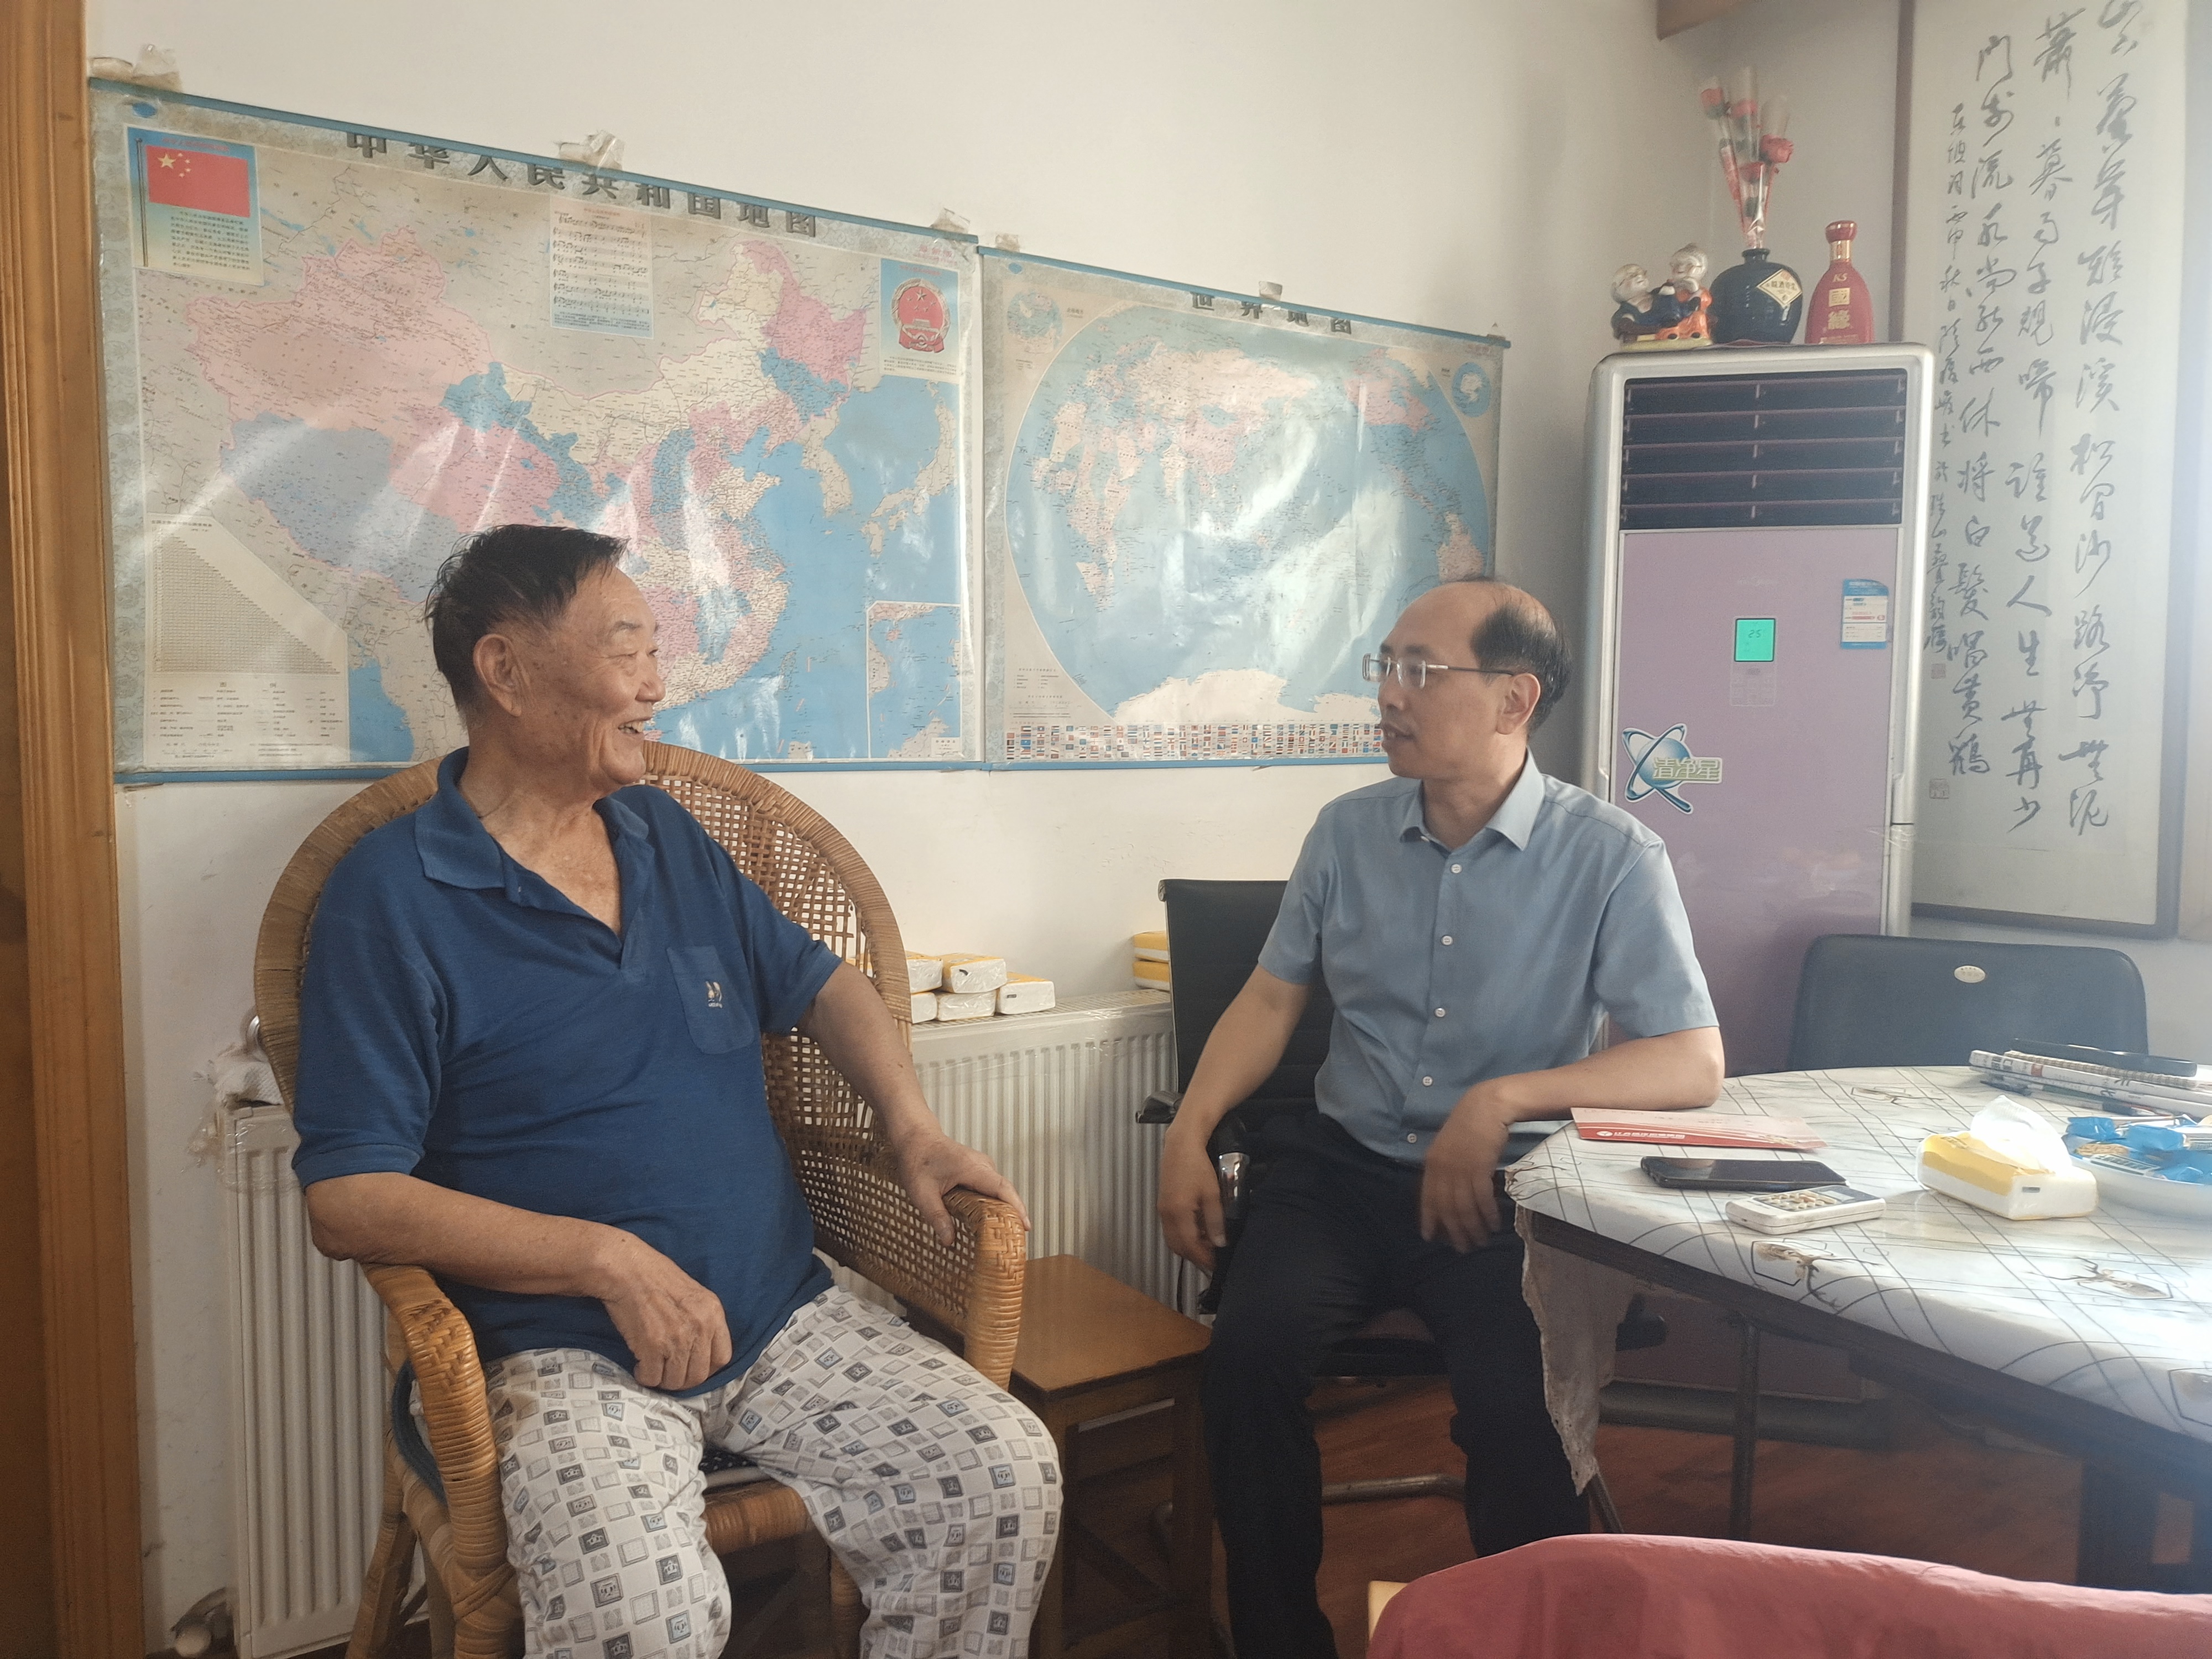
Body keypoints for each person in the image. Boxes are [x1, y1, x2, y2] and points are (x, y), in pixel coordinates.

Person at [293, 524, 1059, 1659]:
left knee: (1001, 1467)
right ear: (504, 670)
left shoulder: (662, 833)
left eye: (655, 651)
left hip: (782, 1317)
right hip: (563, 1357)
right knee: (642, 1623)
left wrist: (914, 1129)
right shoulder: (393, 895)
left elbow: (826, 985)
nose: (657, 685)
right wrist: (605, 1261)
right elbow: (349, 1198)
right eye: (628, 650)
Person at [1156, 575, 1722, 1658]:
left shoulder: (1610, 857)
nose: (1389, 694)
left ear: (1514, 699)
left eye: (1420, 670)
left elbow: (1691, 1060)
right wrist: (1189, 1129)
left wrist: (1503, 1099)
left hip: (1502, 1197)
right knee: (1247, 1367)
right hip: (1336, 1176)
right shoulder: (1345, 833)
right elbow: (1271, 999)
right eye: (1385, 666)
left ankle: (1519, 1638)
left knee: (1517, 1415)